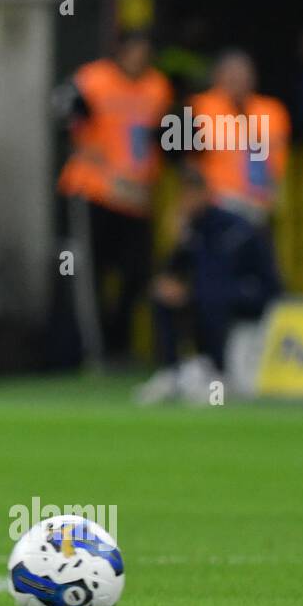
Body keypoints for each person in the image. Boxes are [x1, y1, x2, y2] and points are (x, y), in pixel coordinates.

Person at [55, 29, 175, 363]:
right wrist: (108, 170)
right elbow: (66, 122)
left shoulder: (157, 86)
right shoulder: (93, 79)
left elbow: (161, 139)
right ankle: (93, 351)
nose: (139, 58)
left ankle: (117, 339)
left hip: (134, 197)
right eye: (134, 50)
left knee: (137, 272)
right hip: (93, 190)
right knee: (89, 272)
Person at [137, 166, 280, 404]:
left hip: (252, 293)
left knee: (209, 296)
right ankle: (172, 370)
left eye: (191, 194)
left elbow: (220, 273)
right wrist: (174, 252)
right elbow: (175, 271)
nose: (186, 201)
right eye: (183, 195)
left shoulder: (231, 226)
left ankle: (216, 372)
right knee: (164, 296)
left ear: (205, 194)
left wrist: (189, 290)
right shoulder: (191, 228)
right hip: (215, 292)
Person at [188, 50, 291, 226]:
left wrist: (275, 197)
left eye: (242, 73)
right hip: (217, 207)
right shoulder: (200, 107)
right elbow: (188, 163)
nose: (237, 79)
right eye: (231, 73)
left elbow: (277, 163)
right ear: (217, 76)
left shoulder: (272, 111)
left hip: (259, 208)